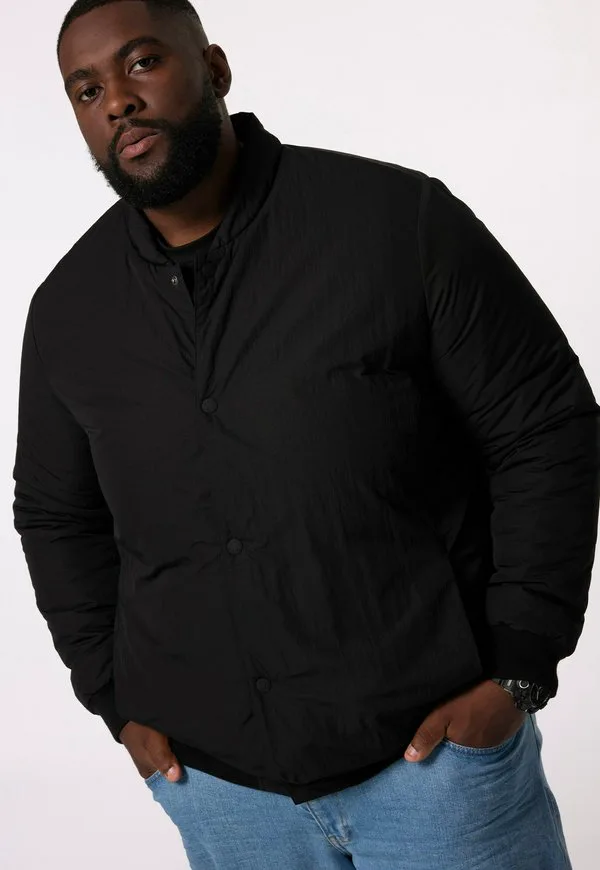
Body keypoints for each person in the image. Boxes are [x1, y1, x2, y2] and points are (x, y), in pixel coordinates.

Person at [12, 0, 599, 867]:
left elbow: (543, 426)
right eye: (87, 90)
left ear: (214, 68)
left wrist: (520, 664)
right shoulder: (69, 309)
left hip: (436, 769)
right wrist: (113, 698)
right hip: (220, 791)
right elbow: (57, 517)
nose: (118, 102)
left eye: (142, 63)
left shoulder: (397, 221)